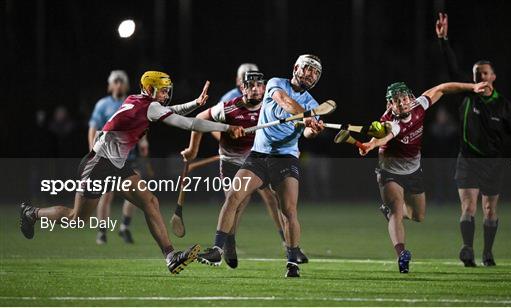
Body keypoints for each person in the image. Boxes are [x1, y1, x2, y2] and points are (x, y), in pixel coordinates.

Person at [19, 71, 244, 274]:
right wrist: (226, 127)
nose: (166, 94)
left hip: (116, 166)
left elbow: (168, 112)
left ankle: (170, 256)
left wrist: (195, 102)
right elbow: (186, 124)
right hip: (99, 165)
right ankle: (32, 213)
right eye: (163, 90)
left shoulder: (137, 100)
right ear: (149, 89)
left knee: (150, 201)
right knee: (77, 218)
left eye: (167, 90)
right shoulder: (151, 106)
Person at [197, 55, 325, 278]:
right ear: (296, 68)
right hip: (258, 155)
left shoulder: (313, 104)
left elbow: (305, 133)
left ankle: (292, 261)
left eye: (315, 72)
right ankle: (217, 249)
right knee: (233, 197)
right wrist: (304, 116)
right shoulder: (276, 83)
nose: (311, 74)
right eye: (308, 69)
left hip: (285, 158)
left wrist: (312, 129)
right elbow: (284, 101)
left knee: (288, 210)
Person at [359, 81, 491, 273]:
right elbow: (386, 134)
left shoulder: (419, 105)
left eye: (404, 98)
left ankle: (388, 211)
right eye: (396, 101)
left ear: (410, 98)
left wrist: (472, 87)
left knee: (418, 215)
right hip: (389, 171)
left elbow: (442, 88)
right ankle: (402, 255)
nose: (402, 103)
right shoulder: (391, 122)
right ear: (390, 105)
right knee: (396, 209)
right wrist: (371, 145)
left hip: (413, 170)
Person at [181, 71, 308, 269]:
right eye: (250, 85)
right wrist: (197, 147)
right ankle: (226, 244)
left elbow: (294, 125)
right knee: (235, 203)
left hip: (264, 160)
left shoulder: (271, 106)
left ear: (265, 88)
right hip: (232, 162)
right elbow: (198, 121)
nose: (255, 89)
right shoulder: (229, 108)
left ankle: (291, 247)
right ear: (242, 88)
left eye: (259, 85)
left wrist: (296, 144)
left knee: (279, 204)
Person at [435, 13, 511, 267]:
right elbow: (452, 69)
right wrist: (444, 41)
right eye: (476, 75)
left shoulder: (503, 105)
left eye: (485, 73)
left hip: (493, 163)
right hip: (468, 160)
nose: (480, 78)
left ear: (493, 77)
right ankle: (467, 248)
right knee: (468, 207)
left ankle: (487, 252)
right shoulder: (468, 98)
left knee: (489, 210)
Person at [88, 70, 142, 245]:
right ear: (110, 85)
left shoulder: (132, 102)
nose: (118, 85)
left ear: (126, 85)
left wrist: (144, 142)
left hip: (129, 156)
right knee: (106, 195)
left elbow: (140, 126)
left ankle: (124, 227)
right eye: (115, 82)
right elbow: (93, 129)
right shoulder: (102, 105)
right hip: (108, 157)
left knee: (135, 193)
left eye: (121, 81)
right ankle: (102, 232)